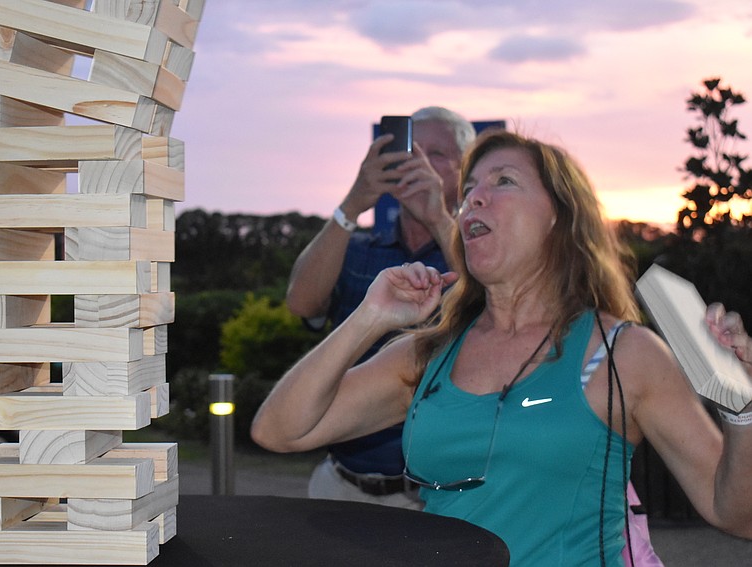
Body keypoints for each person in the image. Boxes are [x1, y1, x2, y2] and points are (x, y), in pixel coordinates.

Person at [253, 129, 752, 566]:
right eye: (468, 191)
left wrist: (742, 407)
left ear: (559, 216)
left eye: (503, 182)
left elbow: (734, 513)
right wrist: (370, 317)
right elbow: (279, 430)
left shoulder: (623, 354)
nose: (474, 200)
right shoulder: (430, 353)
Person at [285, 106, 476, 508]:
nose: (418, 162)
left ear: (464, 174)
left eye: (436, 154)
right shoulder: (357, 251)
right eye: (411, 149)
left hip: (435, 498)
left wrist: (440, 220)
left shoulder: (480, 257)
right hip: (340, 486)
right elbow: (301, 302)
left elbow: (494, 304)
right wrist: (354, 202)